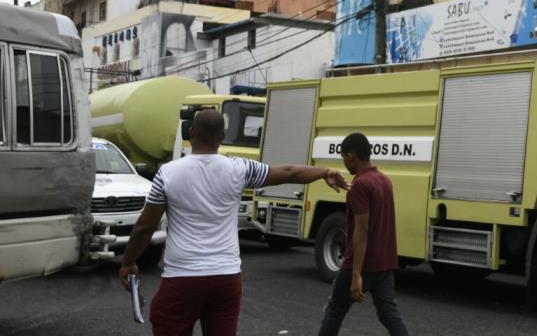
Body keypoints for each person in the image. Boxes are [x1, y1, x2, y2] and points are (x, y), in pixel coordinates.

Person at [118, 109, 348, 336]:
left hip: (182, 278)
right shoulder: (239, 169)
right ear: (222, 137)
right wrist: (324, 171)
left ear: (191, 132)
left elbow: (145, 227)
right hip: (226, 278)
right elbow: (289, 172)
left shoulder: (167, 174)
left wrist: (128, 261)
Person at [317, 133, 408, 336]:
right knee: (389, 315)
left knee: (335, 311)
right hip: (384, 264)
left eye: (343, 157)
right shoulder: (383, 180)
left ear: (352, 156)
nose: (344, 162)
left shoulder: (361, 186)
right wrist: (352, 188)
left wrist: (356, 274)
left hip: (360, 264)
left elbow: (362, 229)